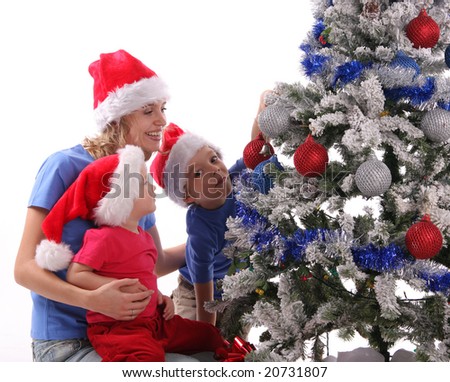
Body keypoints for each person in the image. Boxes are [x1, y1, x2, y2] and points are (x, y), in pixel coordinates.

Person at [14, 49, 188, 362]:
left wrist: (212, 241)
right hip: (66, 343)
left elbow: (155, 262)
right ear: (119, 118)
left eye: (162, 109)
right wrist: (92, 299)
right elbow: (25, 269)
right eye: (148, 111)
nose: (162, 120)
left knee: (201, 360)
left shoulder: (135, 179)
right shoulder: (64, 166)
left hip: (129, 333)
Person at [35, 144, 227, 361]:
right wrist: (111, 288)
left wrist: (161, 299)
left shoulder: (142, 236)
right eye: (145, 184)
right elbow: (75, 274)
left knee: (208, 335)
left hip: (154, 321)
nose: (153, 189)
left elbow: (147, 277)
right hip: (119, 329)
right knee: (147, 358)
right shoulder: (104, 238)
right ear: (122, 200)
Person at [149, 93, 267, 334]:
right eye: (197, 174)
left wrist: (262, 106)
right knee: (193, 342)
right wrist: (206, 334)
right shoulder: (200, 229)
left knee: (236, 348)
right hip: (196, 292)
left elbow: (257, 147)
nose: (214, 170)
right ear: (188, 196)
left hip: (236, 290)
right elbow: (205, 295)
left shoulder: (236, 180)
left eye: (213, 159)